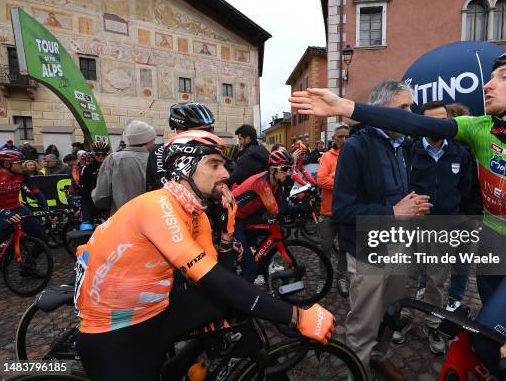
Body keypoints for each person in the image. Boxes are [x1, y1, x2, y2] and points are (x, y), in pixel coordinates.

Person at [289, 42, 506, 381]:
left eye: (503, 76)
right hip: (489, 251)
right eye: (490, 76)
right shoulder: (480, 127)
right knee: (492, 344)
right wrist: (345, 106)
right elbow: (421, 127)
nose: (488, 84)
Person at [74, 130, 335, 381]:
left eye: (224, 164)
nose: (225, 173)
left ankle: (180, 366)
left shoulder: (195, 212)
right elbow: (217, 282)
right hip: (113, 332)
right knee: (231, 298)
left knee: (229, 304)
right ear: (184, 168)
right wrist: (296, 316)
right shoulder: (157, 206)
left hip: (152, 311)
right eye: (214, 164)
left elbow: (220, 274)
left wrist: (226, 235)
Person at [332, 80, 432, 380]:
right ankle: (357, 370)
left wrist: (411, 205)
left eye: (411, 107)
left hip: (398, 247)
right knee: (363, 322)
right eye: (402, 107)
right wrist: (393, 212)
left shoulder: (402, 145)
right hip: (368, 252)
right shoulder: (355, 147)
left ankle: (378, 356)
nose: (410, 113)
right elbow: (342, 211)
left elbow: (395, 195)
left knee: (391, 313)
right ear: (380, 111)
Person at [392, 101, 472, 355]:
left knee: (437, 281)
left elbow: (467, 190)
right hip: (413, 226)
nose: (437, 124)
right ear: (421, 122)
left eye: (442, 119)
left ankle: (433, 324)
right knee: (407, 276)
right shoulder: (408, 150)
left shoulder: (460, 152)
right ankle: (402, 317)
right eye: (431, 120)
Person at [232, 149, 307, 283]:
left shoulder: (276, 183)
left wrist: (300, 208)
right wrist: (288, 190)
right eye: (285, 169)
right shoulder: (262, 183)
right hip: (233, 219)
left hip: (247, 216)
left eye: (290, 169)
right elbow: (277, 211)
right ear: (273, 169)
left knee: (267, 235)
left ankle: (260, 267)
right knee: (250, 269)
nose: (288, 173)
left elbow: (280, 207)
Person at [146, 102, 216, 191]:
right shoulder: (161, 151)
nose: (209, 134)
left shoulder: (211, 151)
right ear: (180, 132)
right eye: (202, 131)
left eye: (210, 129)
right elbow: (167, 187)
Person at [92, 120, 155, 215]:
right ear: (148, 141)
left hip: (121, 218)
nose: (154, 142)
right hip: (152, 218)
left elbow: (101, 196)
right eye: (153, 139)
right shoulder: (156, 159)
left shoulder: (114, 159)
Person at [317, 124, 350, 297]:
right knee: (325, 248)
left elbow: (358, 183)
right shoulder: (327, 157)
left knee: (345, 248)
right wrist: (344, 183)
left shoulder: (353, 156)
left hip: (346, 213)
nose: (344, 140)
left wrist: (334, 178)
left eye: (346, 136)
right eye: (340, 137)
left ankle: (342, 278)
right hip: (328, 212)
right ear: (334, 139)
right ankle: (323, 278)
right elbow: (321, 181)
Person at [0, 150, 49, 249]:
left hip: (17, 208)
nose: (22, 165)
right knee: (3, 231)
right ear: (7, 164)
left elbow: (36, 192)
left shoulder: (22, 174)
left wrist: (47, 210)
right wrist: (3, 212)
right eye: (19, 163)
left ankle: (29, 263)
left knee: (43, 238)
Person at [79, 142, 110, 224]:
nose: (100, 156)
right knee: (86, 225)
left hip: (106, 200)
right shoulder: (88, 168)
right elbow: (82, 187)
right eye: (98, 154)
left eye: (103, 154)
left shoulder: (111, 166)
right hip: (89, 200)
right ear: (94, 154)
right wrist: (92, 198)